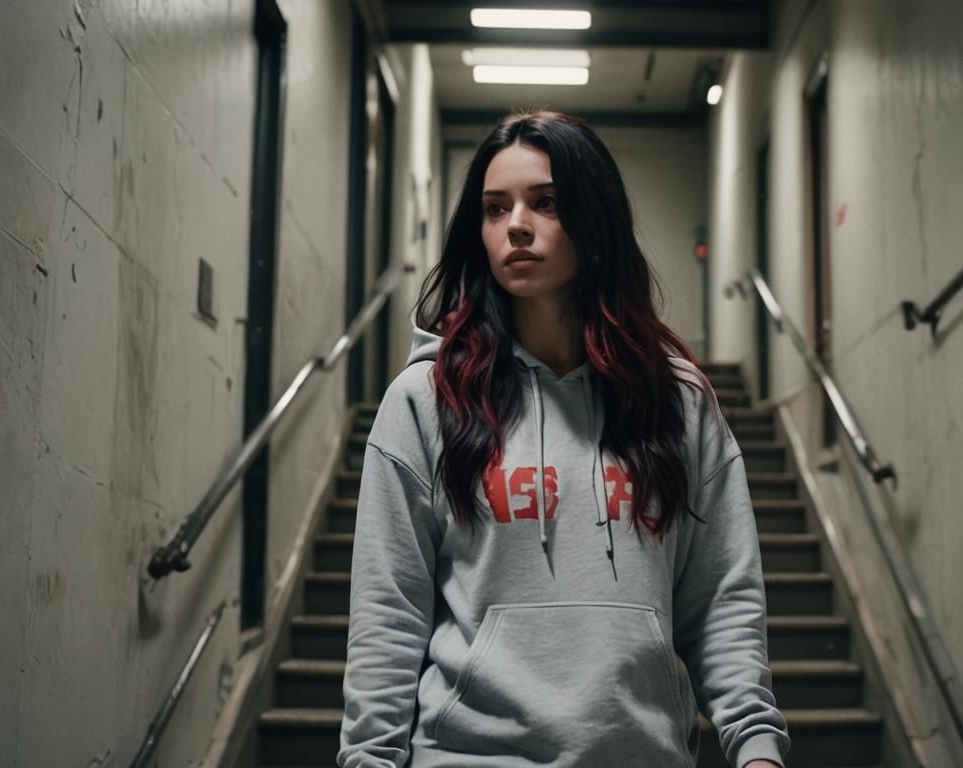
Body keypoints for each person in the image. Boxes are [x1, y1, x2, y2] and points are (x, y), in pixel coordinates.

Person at [337, 110, 789, 768]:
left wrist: (756, 748)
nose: (515, 225)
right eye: (495, 209)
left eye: (545, 203)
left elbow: (722, 597)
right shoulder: (427, 402)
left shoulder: (678, 403)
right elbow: (387, 613)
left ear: (593, 218)